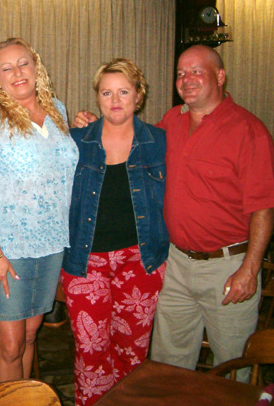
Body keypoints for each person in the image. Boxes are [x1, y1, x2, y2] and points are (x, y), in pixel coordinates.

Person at [75, 45, 274, 381]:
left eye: (197, 71)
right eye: (181, 73)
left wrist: (249, 269)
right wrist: (99, 125)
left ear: (220, 77)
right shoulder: (171, 123)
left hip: (226, 267)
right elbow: (129, 139)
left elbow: (264, 207)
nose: (187, 79)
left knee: (233, 367)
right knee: (168, 366)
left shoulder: (247, 129)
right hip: (175, 264)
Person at [0, 38, 78, 382]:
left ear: (36, 66)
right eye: (7, 68)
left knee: (30, 336)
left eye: (23, 63)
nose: (17, 72)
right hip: (7, 248)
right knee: (10, 345)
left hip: (51, 244)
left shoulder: (57, 110)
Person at [63, 58, 168, 406]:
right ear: (97, 97)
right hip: (85, 262)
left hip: (140, 262)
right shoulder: (76, 141)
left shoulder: (159, 142)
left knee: (132, 354)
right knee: (90, 351)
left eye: (124, 91)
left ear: (139, 95)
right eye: (107, 93)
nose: (115, 100)